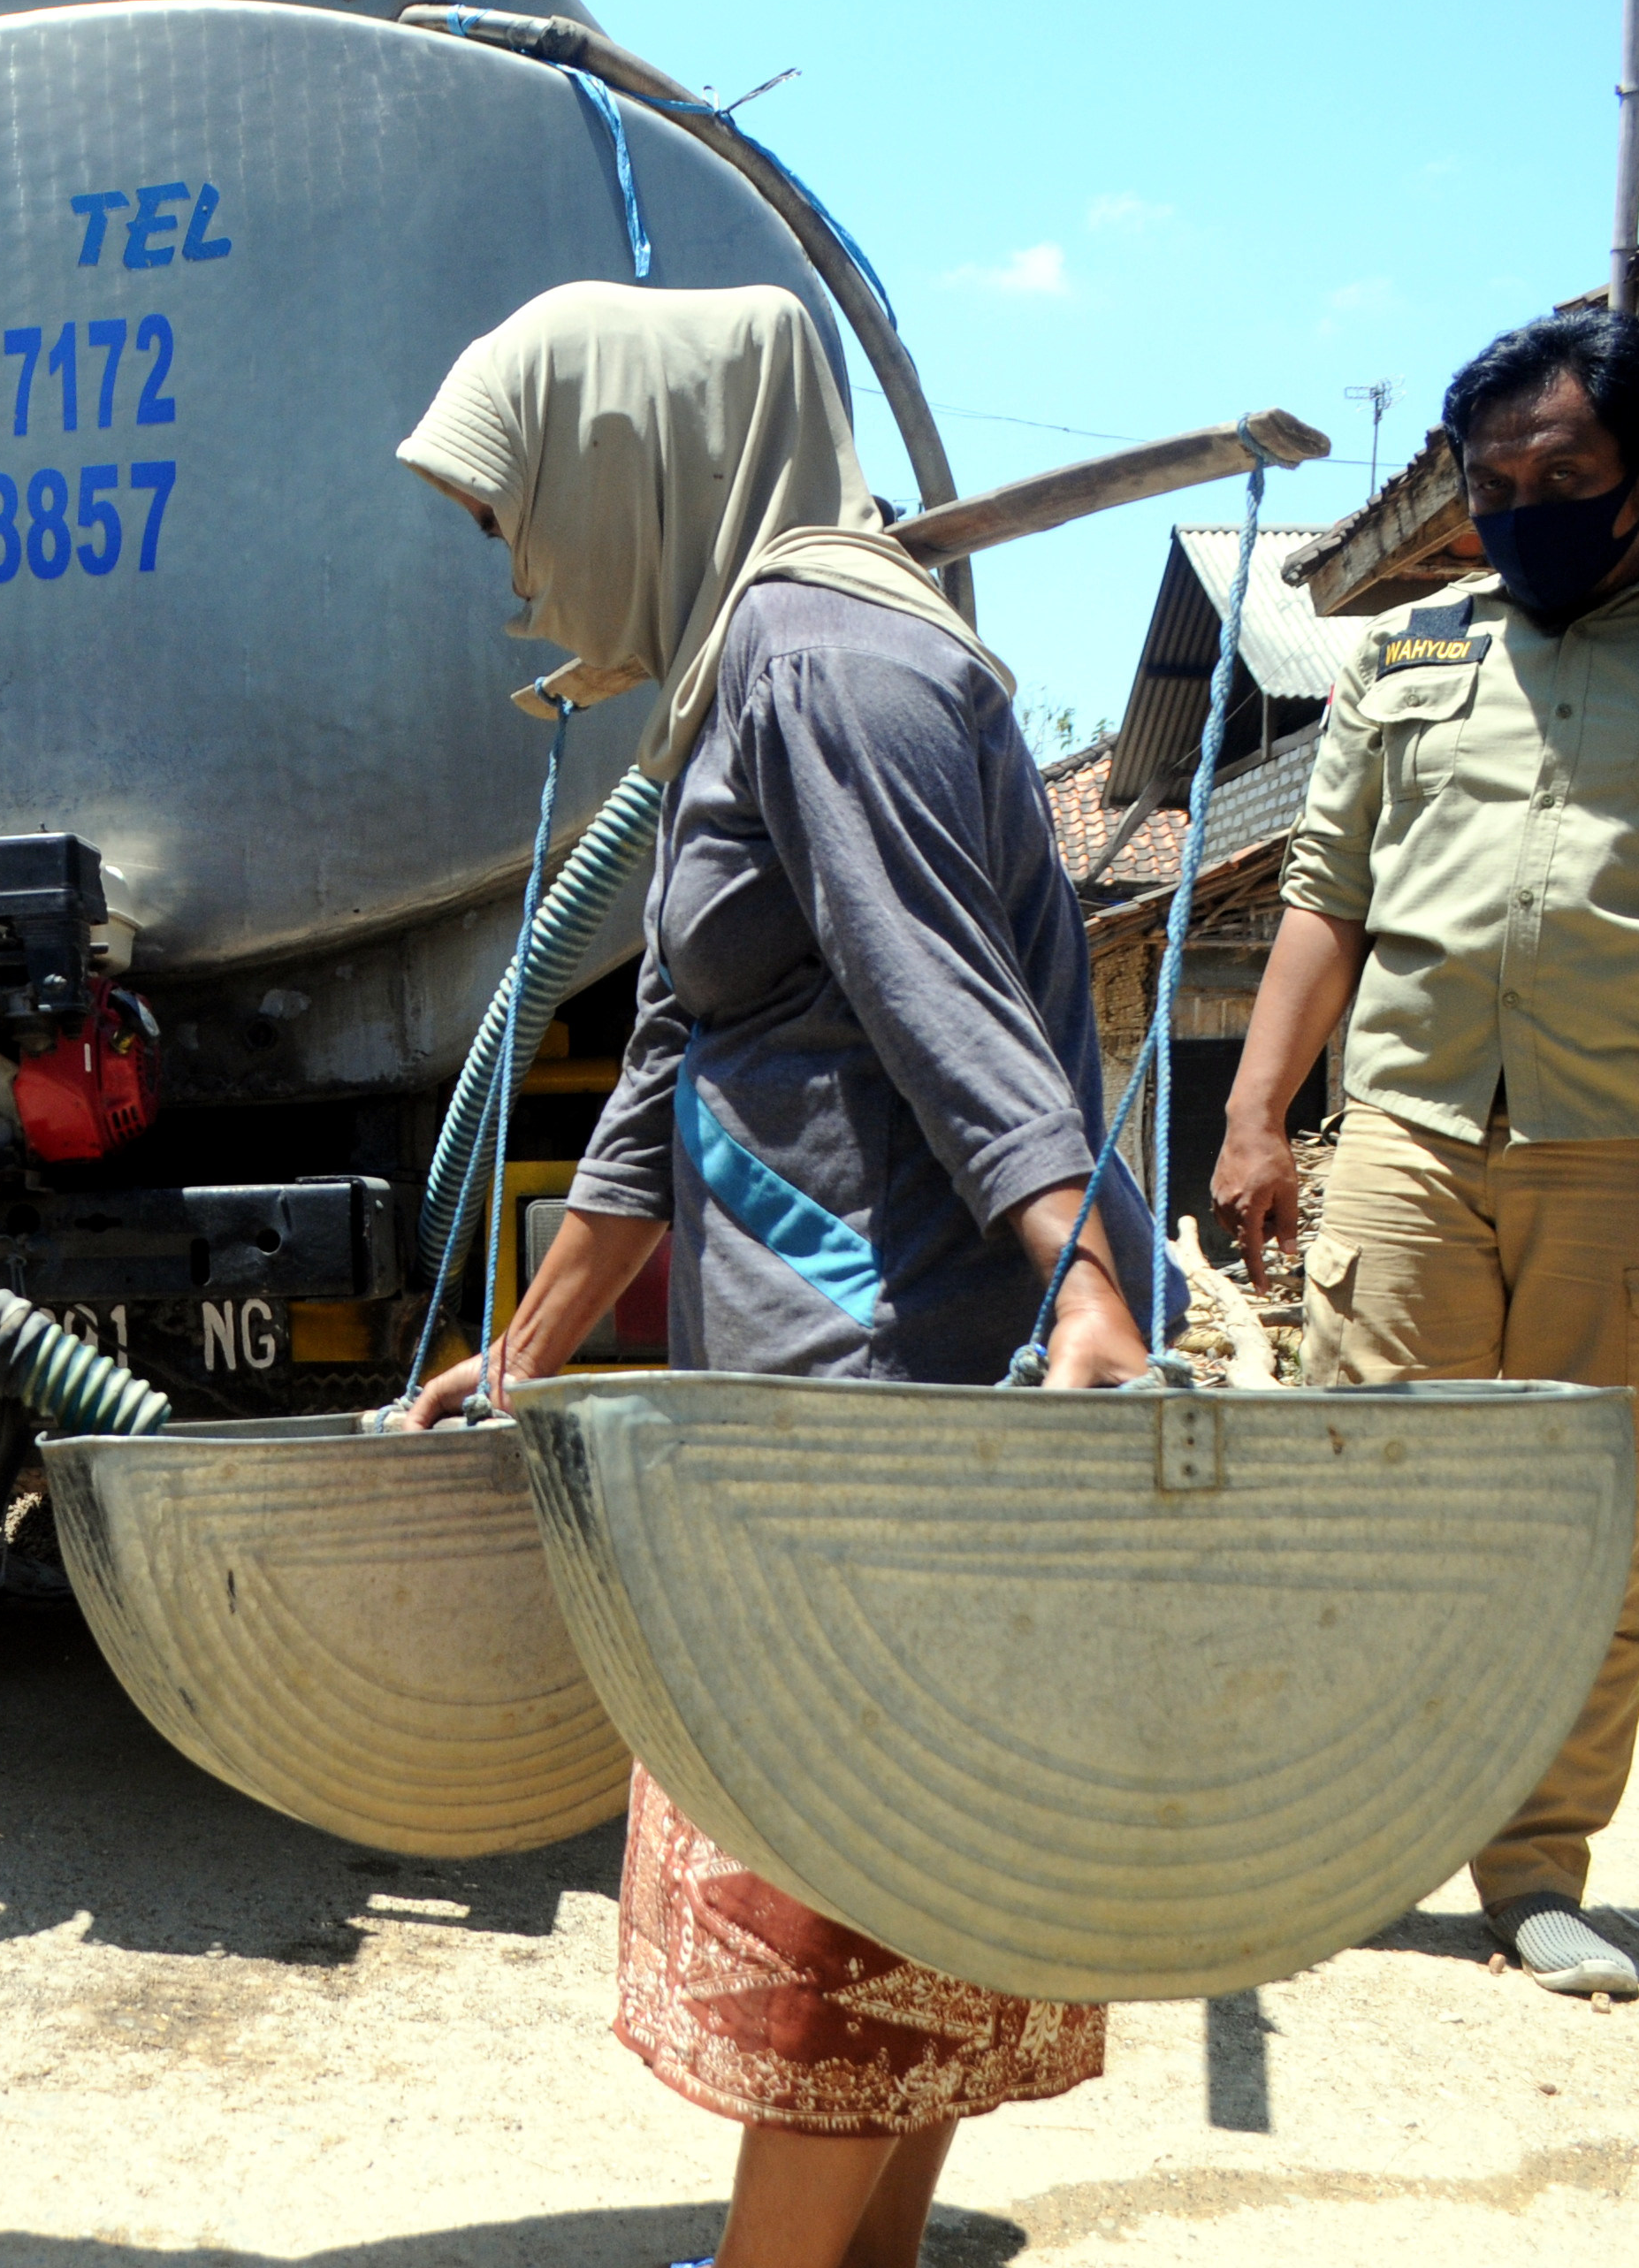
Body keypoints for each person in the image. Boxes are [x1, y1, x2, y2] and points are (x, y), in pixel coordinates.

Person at [394, 282, 1158, 2268]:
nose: (518, 576)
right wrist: (529, 1346)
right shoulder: (751, 669)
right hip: (806, 1375)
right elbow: (663, 1073)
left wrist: (1081, 1281)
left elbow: (949, 1008)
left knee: (845, 1888)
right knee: (892, 1896)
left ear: (631, 461)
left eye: (516, 516)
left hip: (877, 1389)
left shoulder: (825, 662)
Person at [1210, 305, 1639, 2001]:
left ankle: (1534, 1871)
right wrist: (1256, 1114)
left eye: (1561, 478)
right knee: (1365, 1502)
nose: (1521, 513)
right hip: (1410, 1146)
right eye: (1491, 487)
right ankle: (1352, 1837)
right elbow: (1325, 898)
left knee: (1585, 1533)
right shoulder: (1406, 658)